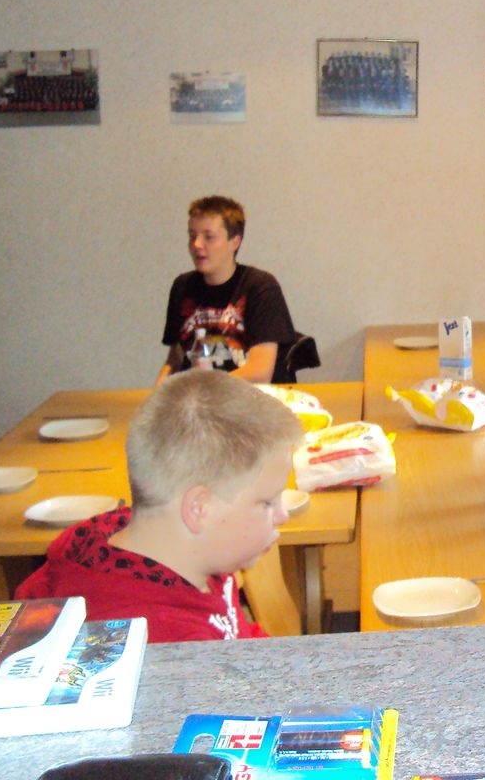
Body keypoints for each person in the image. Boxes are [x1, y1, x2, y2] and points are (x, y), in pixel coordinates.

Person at [15, 370, 302, 642]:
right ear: (200, 509)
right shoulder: (161, 639)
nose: (282, 515)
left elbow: (239, 636)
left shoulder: (187, 552)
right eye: (268, 502)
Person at [156, 195, 298, 385]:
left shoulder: (260, 287)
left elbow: (260, 372)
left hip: (250, 399)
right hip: (199, 398)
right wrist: (158, 395)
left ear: (235, 242)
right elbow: (174, 360)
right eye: (192, 236)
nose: (197, 245)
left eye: (209, 237)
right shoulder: (183, 286)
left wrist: (203, 388)